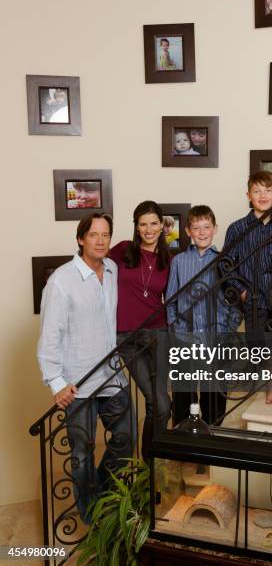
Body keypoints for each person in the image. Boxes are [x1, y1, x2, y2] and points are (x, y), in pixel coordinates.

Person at [37, 213, 134, 524]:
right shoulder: (61, 280)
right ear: (81, 239)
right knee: (80, 455)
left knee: (126, 437)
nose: (101, 240)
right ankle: (94, 518)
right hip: (77, 383)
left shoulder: (113, 269)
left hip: (112, 375)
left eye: (106, 234)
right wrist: (56, 382)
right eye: (94, 235)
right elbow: (50, 334)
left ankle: (101, 494)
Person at [222, 171, 272, 404]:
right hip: (253, 296)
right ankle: (262, 380)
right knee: (259, 345)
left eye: (268, 190)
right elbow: (226, 266)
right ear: (248, 195)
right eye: (257, 191)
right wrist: (241, 291)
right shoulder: (237, 229)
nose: (263, 195)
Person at [166, 205, 240, 425]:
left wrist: (228, 329)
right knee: (183, 397)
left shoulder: (224, 261)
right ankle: (184, 445)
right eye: (196, 228)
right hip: (185, 339)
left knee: (214, 397)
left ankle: (212, 442)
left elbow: (235, 300)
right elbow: (170, 300)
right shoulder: (178, 261)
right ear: (188, 231)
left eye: (206, 227)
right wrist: (175, 329)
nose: (202, 232)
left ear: (215, 228)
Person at [110, 201, 172, 459]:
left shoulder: (170, 259)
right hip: (127, 337)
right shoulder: (123, 250)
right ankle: (151, 466)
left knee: (160, 405)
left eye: (153, 223)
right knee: (159, 403)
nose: (148, 229)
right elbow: (91, 267)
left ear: (162, 226)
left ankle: (150, 466)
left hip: (158, 334)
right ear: (136, 227)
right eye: (143, 224)